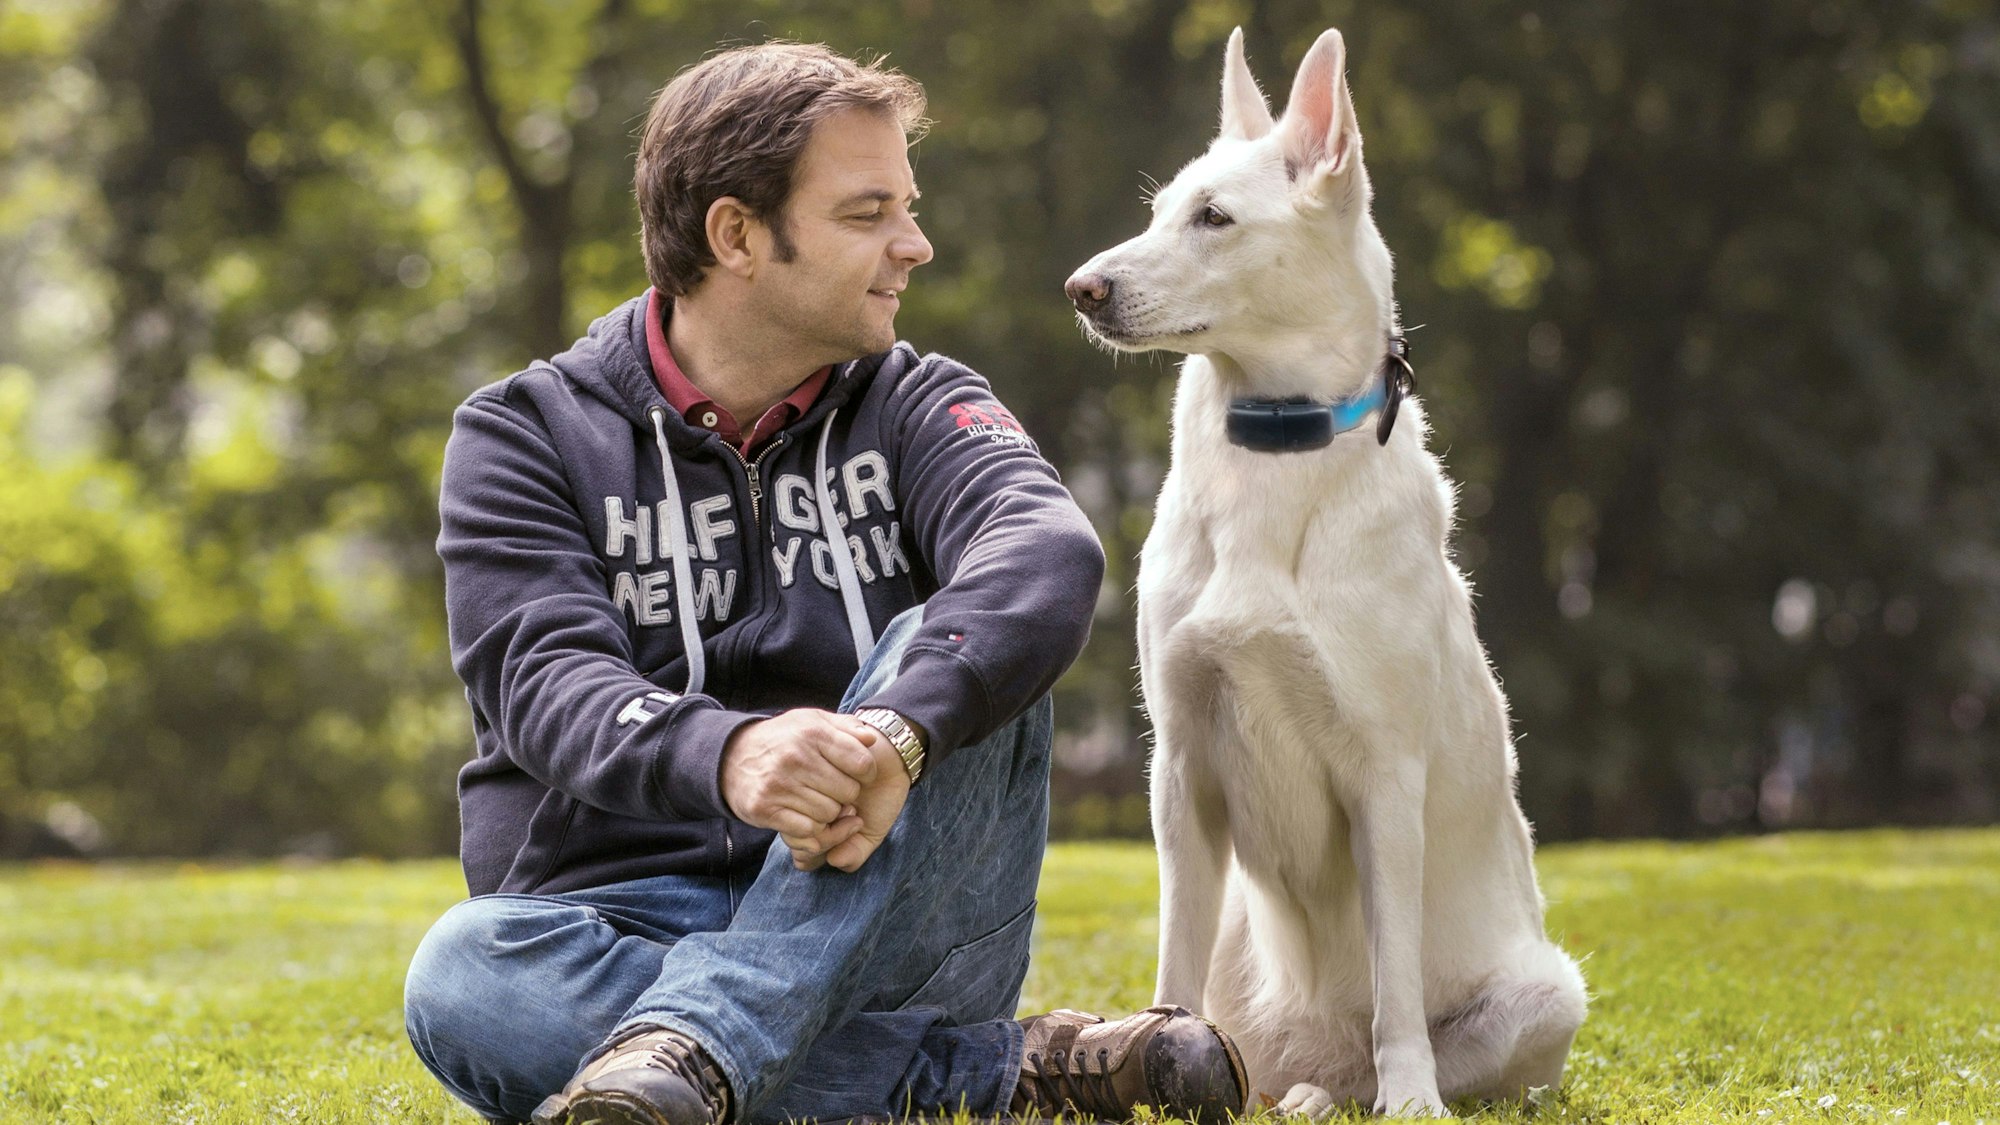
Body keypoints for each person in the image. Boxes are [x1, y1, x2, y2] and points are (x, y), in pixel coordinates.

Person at [400, 41, 1248, 1125]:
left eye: (907, 205)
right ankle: (998, 1079)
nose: (914, 244)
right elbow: (543, 680)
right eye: (867, 214)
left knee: (939, 644)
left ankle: (692, 1055)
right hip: (625, 920)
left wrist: (897, 731)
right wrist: (732, 753)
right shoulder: (525, 435)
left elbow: (1042, 552)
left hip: (897, 922)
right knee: (468, 975)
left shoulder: (921, 402)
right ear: (736, 235)